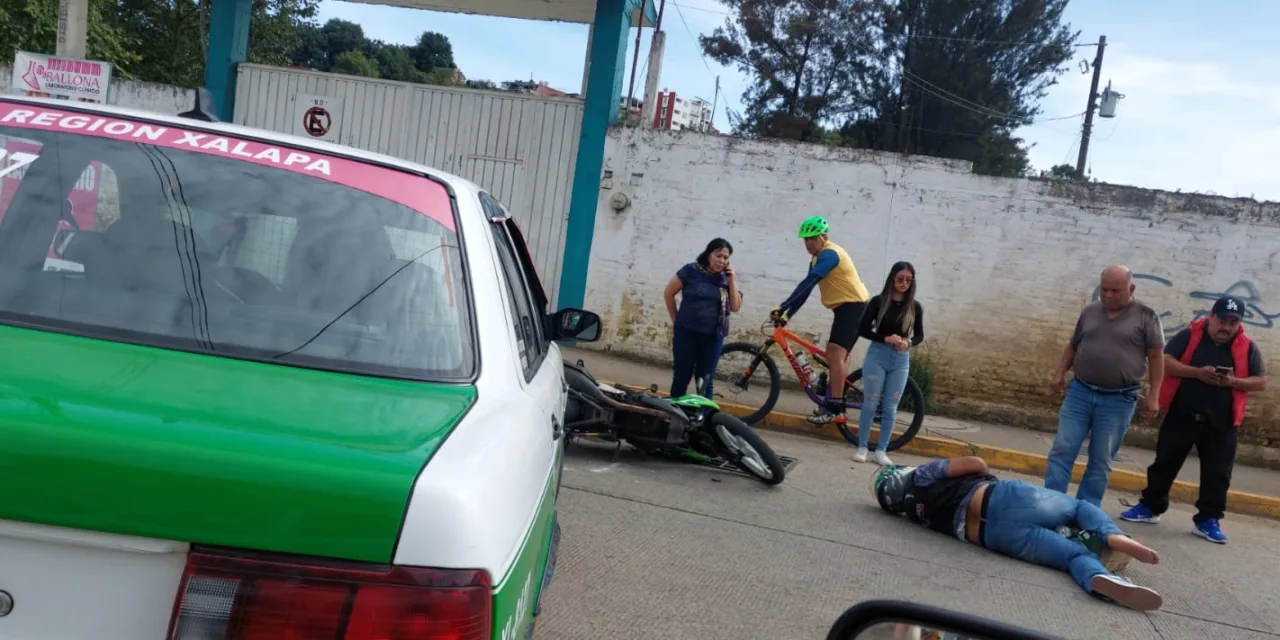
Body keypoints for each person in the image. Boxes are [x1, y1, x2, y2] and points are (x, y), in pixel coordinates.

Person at [872, 456, 1164, 612]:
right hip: (1000, 498)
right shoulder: (923, 473)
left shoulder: (915, 514)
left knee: (1072, 555)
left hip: (992, 536)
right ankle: (1112, 535)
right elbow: (977, 464)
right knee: (1078, 507)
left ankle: (1100, 579)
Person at [1120, 296, 1268, 544]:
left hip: (1222, 423)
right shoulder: (1190, 336)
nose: (1226, 327)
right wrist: (1198, 373)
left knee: (1218, 474)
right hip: (1182, 415)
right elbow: (1166, 361)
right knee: (1164, 463)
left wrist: (1233, 382)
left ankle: (1208, 520)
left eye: (1233, 322)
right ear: (1211, 316)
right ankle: (1150, 507)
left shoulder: (1247, 347)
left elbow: (1260, 381)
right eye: (1222, 320)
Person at [1044, 265, 1166, 507]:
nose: (1108, 295)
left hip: (1118, 400)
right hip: (1080, 391)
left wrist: (1154, 395)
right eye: (1104, 289)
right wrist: (1059, 373)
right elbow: (1073, 346)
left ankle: (1086, 509)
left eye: (1115, 290)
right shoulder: (1089, 312)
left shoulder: (1146, 317)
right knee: (1063, 449)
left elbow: (1156, 357)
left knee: (1100, 459)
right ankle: (1051, 503)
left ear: (1131, 289)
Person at [769, 216, 871, 425]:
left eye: (813, 238)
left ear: (824, 237)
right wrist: (787, 314)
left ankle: (835, 407)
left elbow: (809, 282)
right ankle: (833, 402)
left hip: (854, 308)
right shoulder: (817, 259)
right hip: (846, 310)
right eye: (805, 240)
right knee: (834, 355)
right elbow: (806, 289)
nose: (808, 243)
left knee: (835, 353)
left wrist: (783, 305)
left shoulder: (830, 255)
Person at [853, 261, 924, 466]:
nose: (904, 283)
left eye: (908, 280)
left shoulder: (914, 307)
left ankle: (881, 450)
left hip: (900, 359)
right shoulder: (878, 302)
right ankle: (862, 446)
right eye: (900, 279)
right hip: (878, 354)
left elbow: (919, 335)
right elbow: (862, 329)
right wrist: (885, 338)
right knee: (871, 402)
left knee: (891, 406)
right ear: (892, 278)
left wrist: (908, 342)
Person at [664, 238, 742, 398]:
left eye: (725, 258)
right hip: (686, 334)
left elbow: (735, 307)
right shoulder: (691, 271)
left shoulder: (726, 280)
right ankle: (675, 417)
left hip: (712, 338)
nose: (721, 260)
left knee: (704, 381)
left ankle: (703, 419)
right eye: (718, 255)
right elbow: (668, 293)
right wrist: (676, 320)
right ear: (709, 254)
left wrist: (732, 280)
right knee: (681, 377)